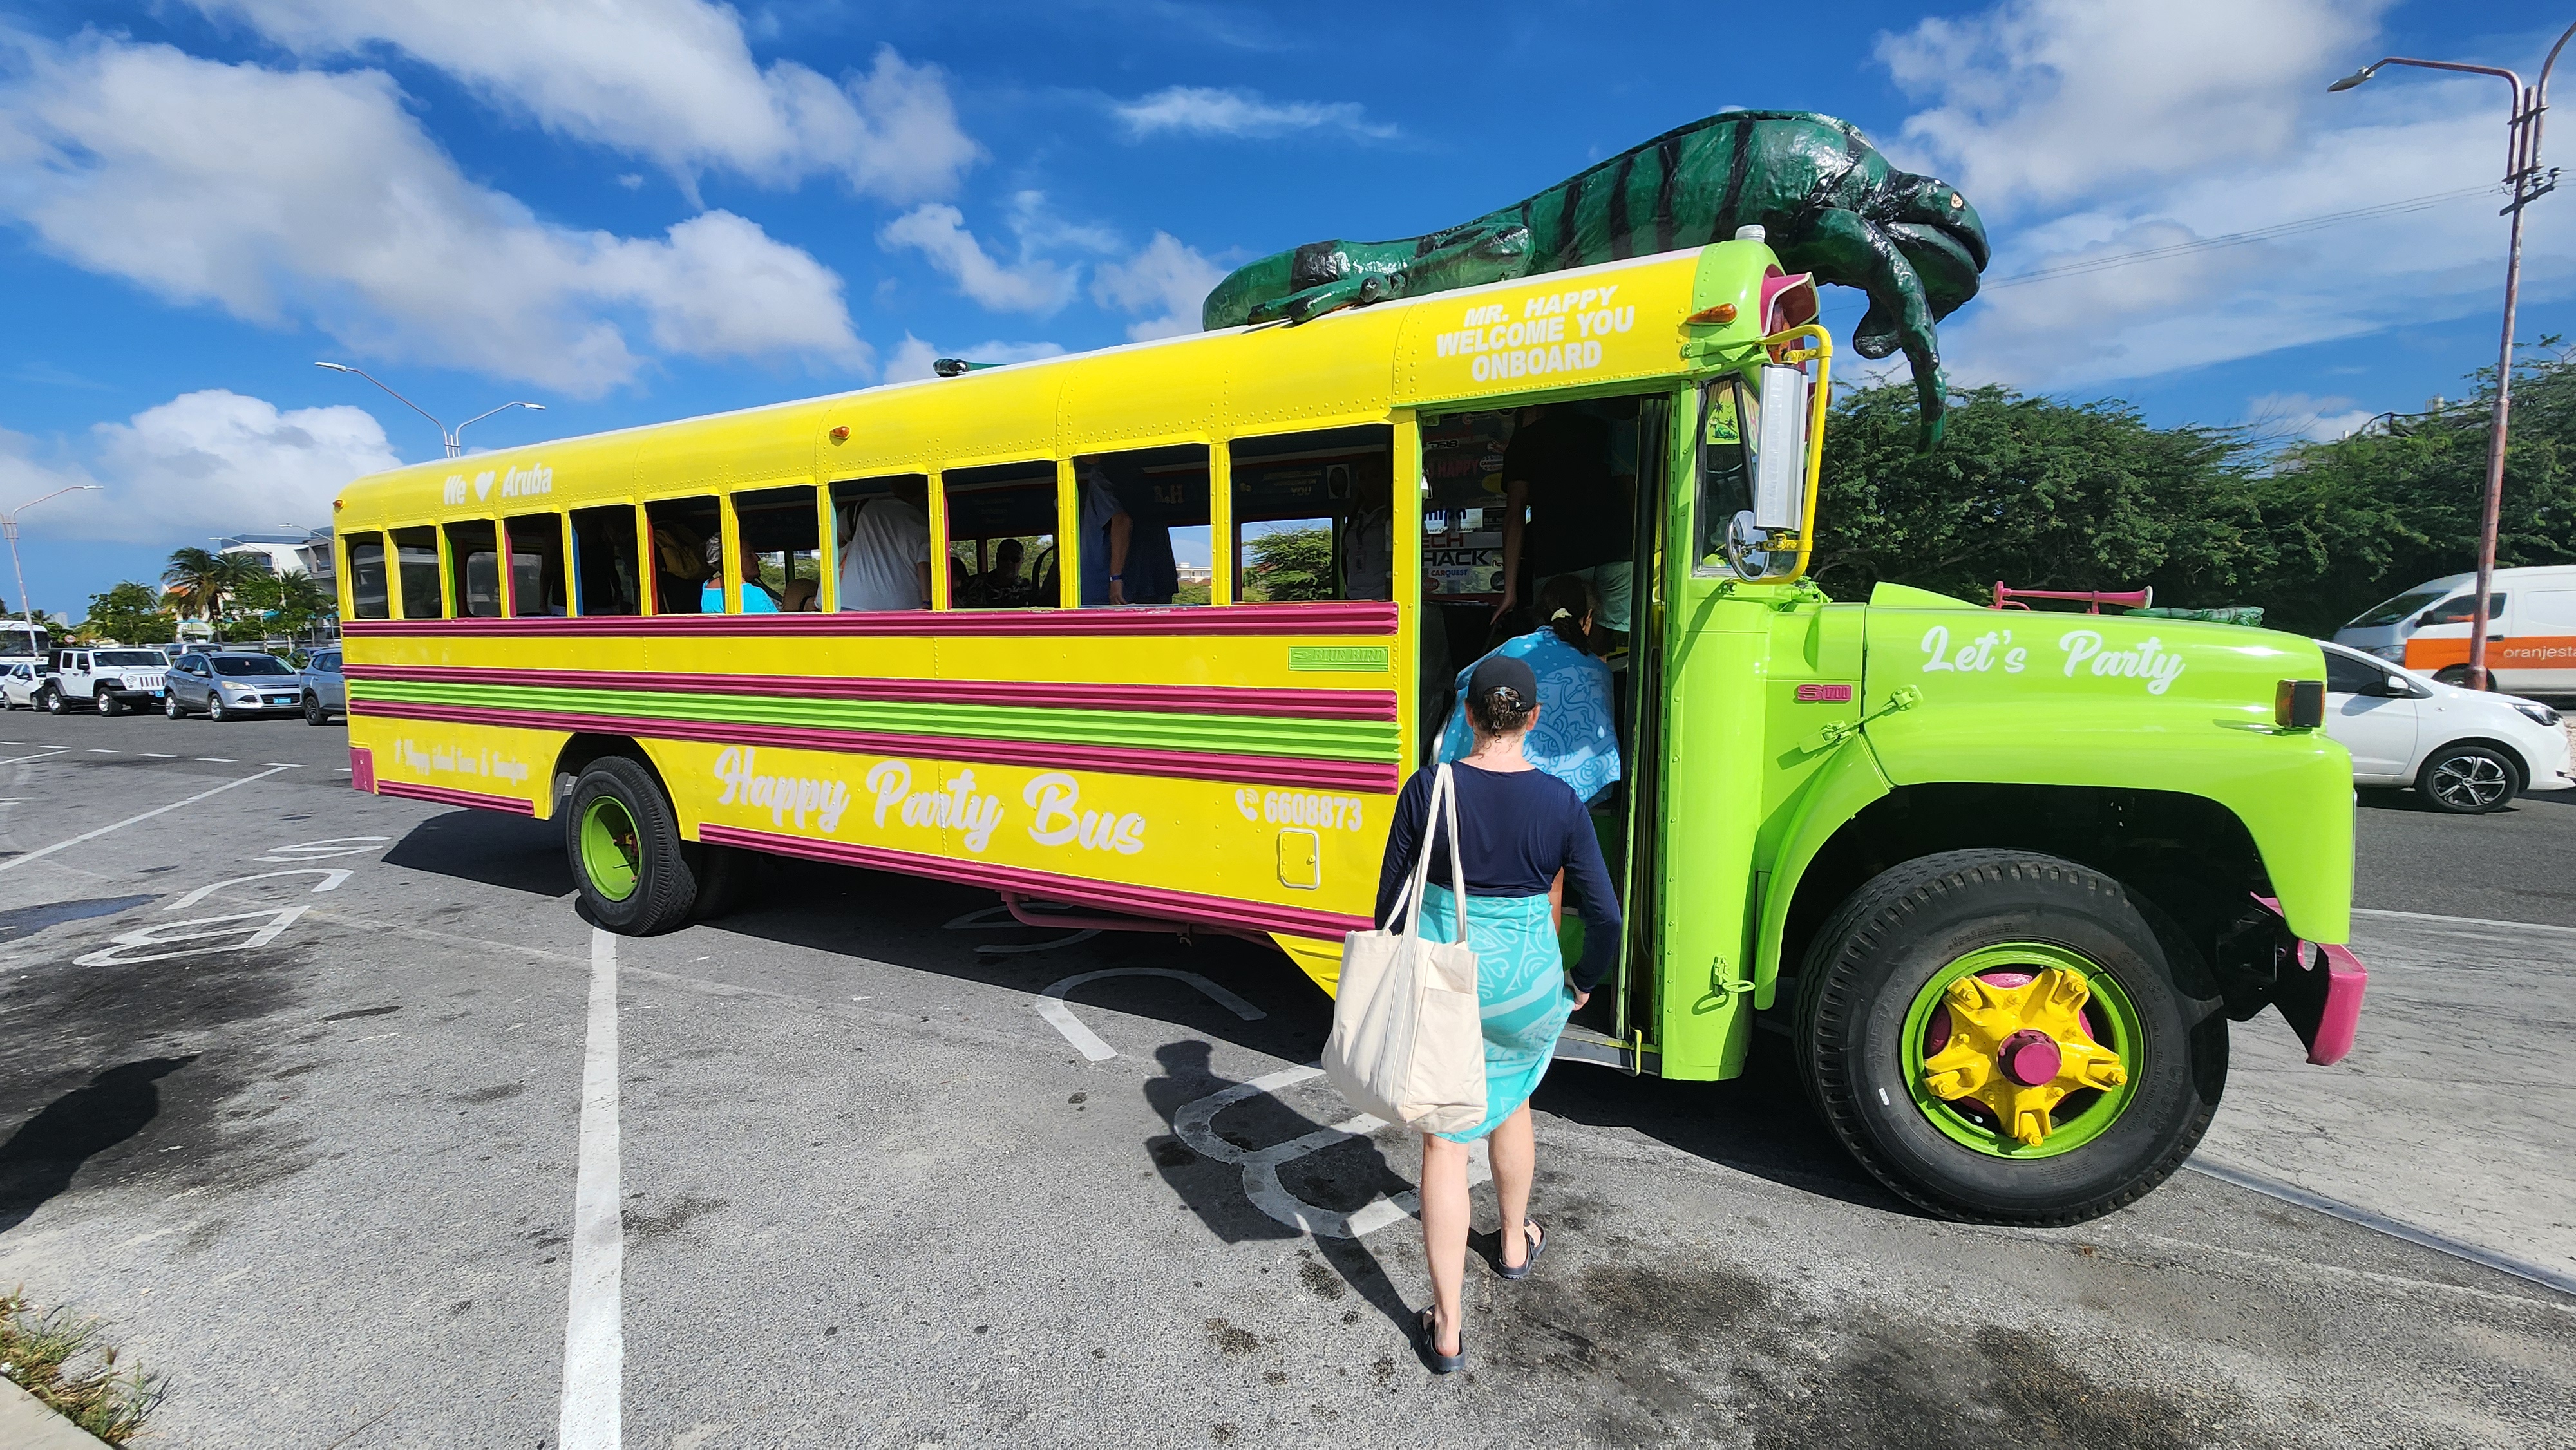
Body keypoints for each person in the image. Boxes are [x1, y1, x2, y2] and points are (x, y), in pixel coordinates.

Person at [1373, 654, 1620, 1374]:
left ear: (1469, 718)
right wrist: (1581, 980)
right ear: (1533, 719)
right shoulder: (1560, 802)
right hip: (1527, 982)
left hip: (1446, 979)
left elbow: (1390, 901)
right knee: (1514, 1098)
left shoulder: (1431, 785)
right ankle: (1513, 1241)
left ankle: (1446, 1326)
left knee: (1447, 1141)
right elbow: (1603, 916)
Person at [1436, 575, 1620, 805]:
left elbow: (1465, 680)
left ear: (1540, 613)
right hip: (1569, 801)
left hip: (1491, 784)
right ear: (1589, 619)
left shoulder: (1515, 648)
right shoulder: (1599, 671)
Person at [1494, 405, 1633, 646]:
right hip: (1617, 552)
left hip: (1560, 555)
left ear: (1537, 408)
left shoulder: (1525, 441)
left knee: (1559, 643)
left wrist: (1510, 590)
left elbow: (1514, 515)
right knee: (1600, 647)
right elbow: (1629, 490)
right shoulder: (1608, 428)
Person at [837, 482, 931, 612]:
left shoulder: (863, 508)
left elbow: (838, 538)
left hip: (853, 601)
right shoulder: (921, 522)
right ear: (923, 493)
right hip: (902, 605)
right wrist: (927, 601)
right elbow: (923, 565)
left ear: (892, 486)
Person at [1077, 465, 1135, 606]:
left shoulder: (1097, 477)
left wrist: (1115, 579)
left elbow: (1122, 521)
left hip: (1103, 592)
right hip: (1099, 590)